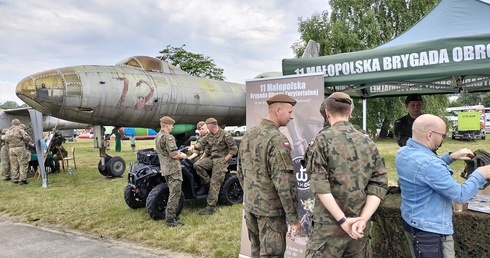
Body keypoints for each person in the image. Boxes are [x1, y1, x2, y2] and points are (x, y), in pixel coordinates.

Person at [305, 92, 388, 257]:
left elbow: (319, 185)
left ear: (327, 113)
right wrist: (363, 219)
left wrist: (342, 220)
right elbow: (379, 184)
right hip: (359, 227)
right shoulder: (368, 142)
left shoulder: (321, 140)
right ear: (350, 112)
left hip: (328, 229)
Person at [396, 114, 490, 258]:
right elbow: (460, 195)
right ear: (429, 135)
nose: (443, 139)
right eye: (442, 135)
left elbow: (424, 171)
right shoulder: (430, 165)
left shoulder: (404, 152)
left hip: (411, 222)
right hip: (430, 232)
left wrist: (450, 157)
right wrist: (480, 174)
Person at [237, 93, 301, 257]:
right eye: (290, 112)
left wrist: (251, 196)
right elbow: (285, 184)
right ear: (278, 110)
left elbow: (240, 171)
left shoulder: (249, 134)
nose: (291, 117)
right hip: (270, 213)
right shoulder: (277, 140)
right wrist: (293, 218)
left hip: (251, 206)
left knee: (256, 251)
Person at [194, 117, 238, 215]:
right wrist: (196, 148)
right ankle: (207, 183)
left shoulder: (225, 135)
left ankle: (210, 208)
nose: (207, 129)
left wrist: (225, 160)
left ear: (211, 126)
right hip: (212, 158)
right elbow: (202, 143)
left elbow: (233, 150)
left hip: (221, 159)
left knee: (215, 182)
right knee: (197, 165)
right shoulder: (209, 135)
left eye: (207, 127)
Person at [155, 116, 187, 227]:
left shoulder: (158, 136)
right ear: (167, 125)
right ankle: (170, 219)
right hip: (173, 169)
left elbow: (165, 152)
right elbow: (174, 155)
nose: (172, 127)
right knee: (175, 193)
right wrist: (183, 156)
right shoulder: (169, 137)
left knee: (172, 192)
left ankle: (171, 215)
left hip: (165, 168)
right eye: (172, 125)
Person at [5, 119, 32, 185]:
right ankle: (22, 180)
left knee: (14, 164)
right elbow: (27, 138)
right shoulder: (20, 129)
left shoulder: (8, 131)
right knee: (22, 163)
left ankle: (15, 179)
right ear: (19, 123)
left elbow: (6, 140)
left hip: (11, 149)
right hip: (20, 148)